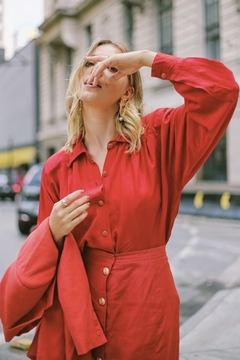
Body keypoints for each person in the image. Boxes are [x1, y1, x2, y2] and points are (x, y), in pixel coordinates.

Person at [0, 39, 239, 360]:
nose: (97, 70)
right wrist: (52, 232)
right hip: (79, 312)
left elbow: (221, 90)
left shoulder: (160, 139)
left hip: (146, 311)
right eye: (89, 63)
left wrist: (145, 59)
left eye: (112, 67)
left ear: (128, 90)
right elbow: (44, 257)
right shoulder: (57, 167)